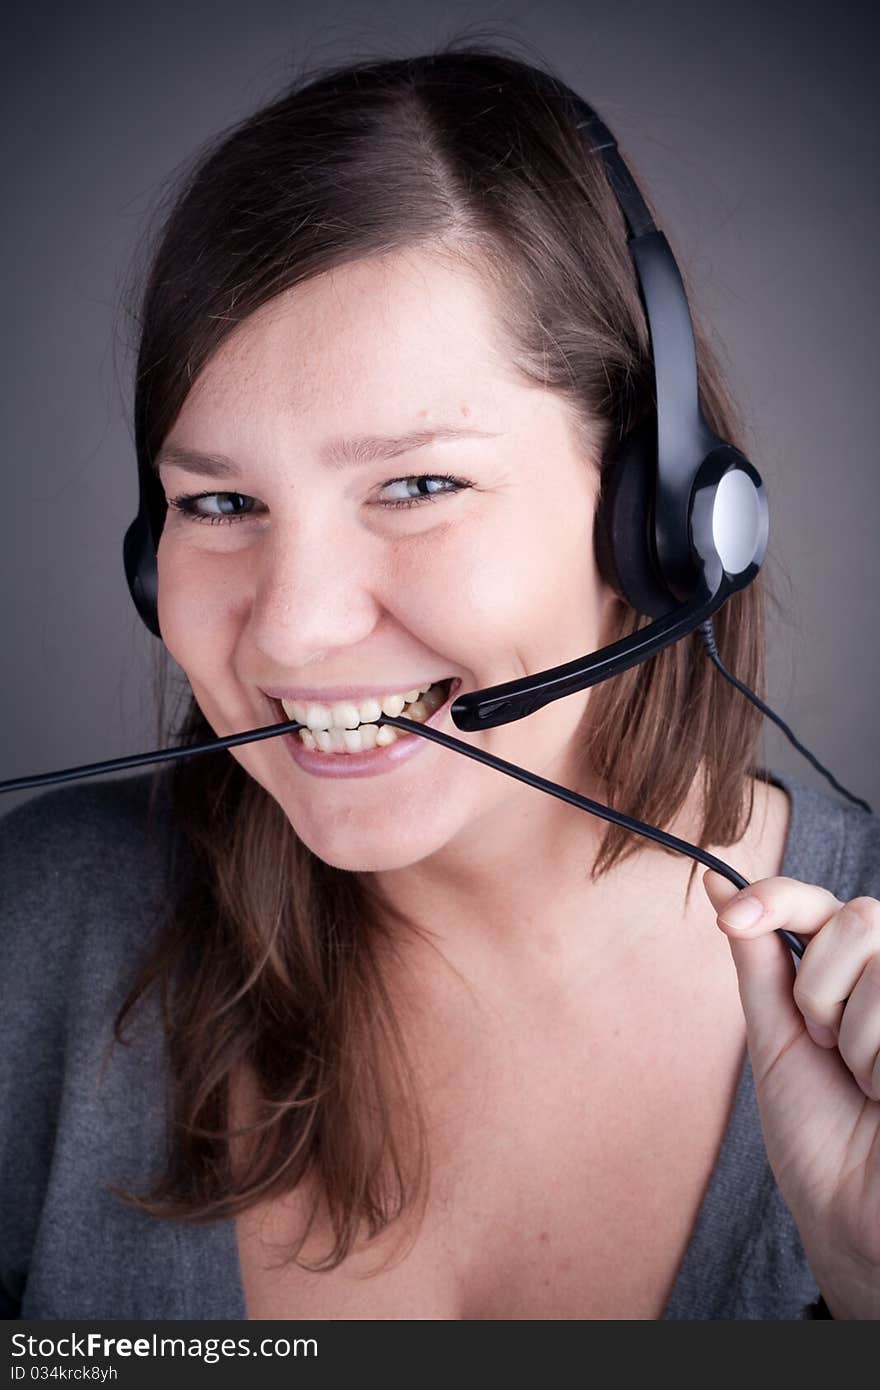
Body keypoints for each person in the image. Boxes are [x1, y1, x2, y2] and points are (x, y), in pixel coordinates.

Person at [2, 43, 879, 1322]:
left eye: (417, 486)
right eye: (218, 502)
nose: (292, 635)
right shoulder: (41, 936)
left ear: (663, 518)